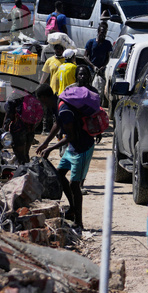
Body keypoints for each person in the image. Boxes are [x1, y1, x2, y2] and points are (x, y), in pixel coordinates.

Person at [35, 83, 99, 231]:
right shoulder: (58, 105)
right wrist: (45, 143)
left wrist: (50, 148)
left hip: (82, 147)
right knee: (59, 174)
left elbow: (71, 135)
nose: (41, 104)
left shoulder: (64, 109)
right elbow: (57, 124)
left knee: (74, 185)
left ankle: (79, 221)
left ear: (44, 98)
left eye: (41, 100)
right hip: (73, 147)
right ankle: (72, 209)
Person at [6, 91, 43, 166]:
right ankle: (28, 172)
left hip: (18, 130)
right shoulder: (30, 93)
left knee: (20, 156)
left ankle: (23, 174)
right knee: (26, 154)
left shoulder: (14, 95)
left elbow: (9, 115)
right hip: (30, 129)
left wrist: (4, 128)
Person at [39, 44, 66, 132]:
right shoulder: (49, 60)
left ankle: (58, 129)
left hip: (63, 91)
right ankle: (45, 129)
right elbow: (45, 75)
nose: (58, 50)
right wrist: (40, 85)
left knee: (58, 111)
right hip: (52, 90)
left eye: (60, 49)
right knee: (47, 110)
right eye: (57, 48)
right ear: (54, 49)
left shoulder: (66, 61)